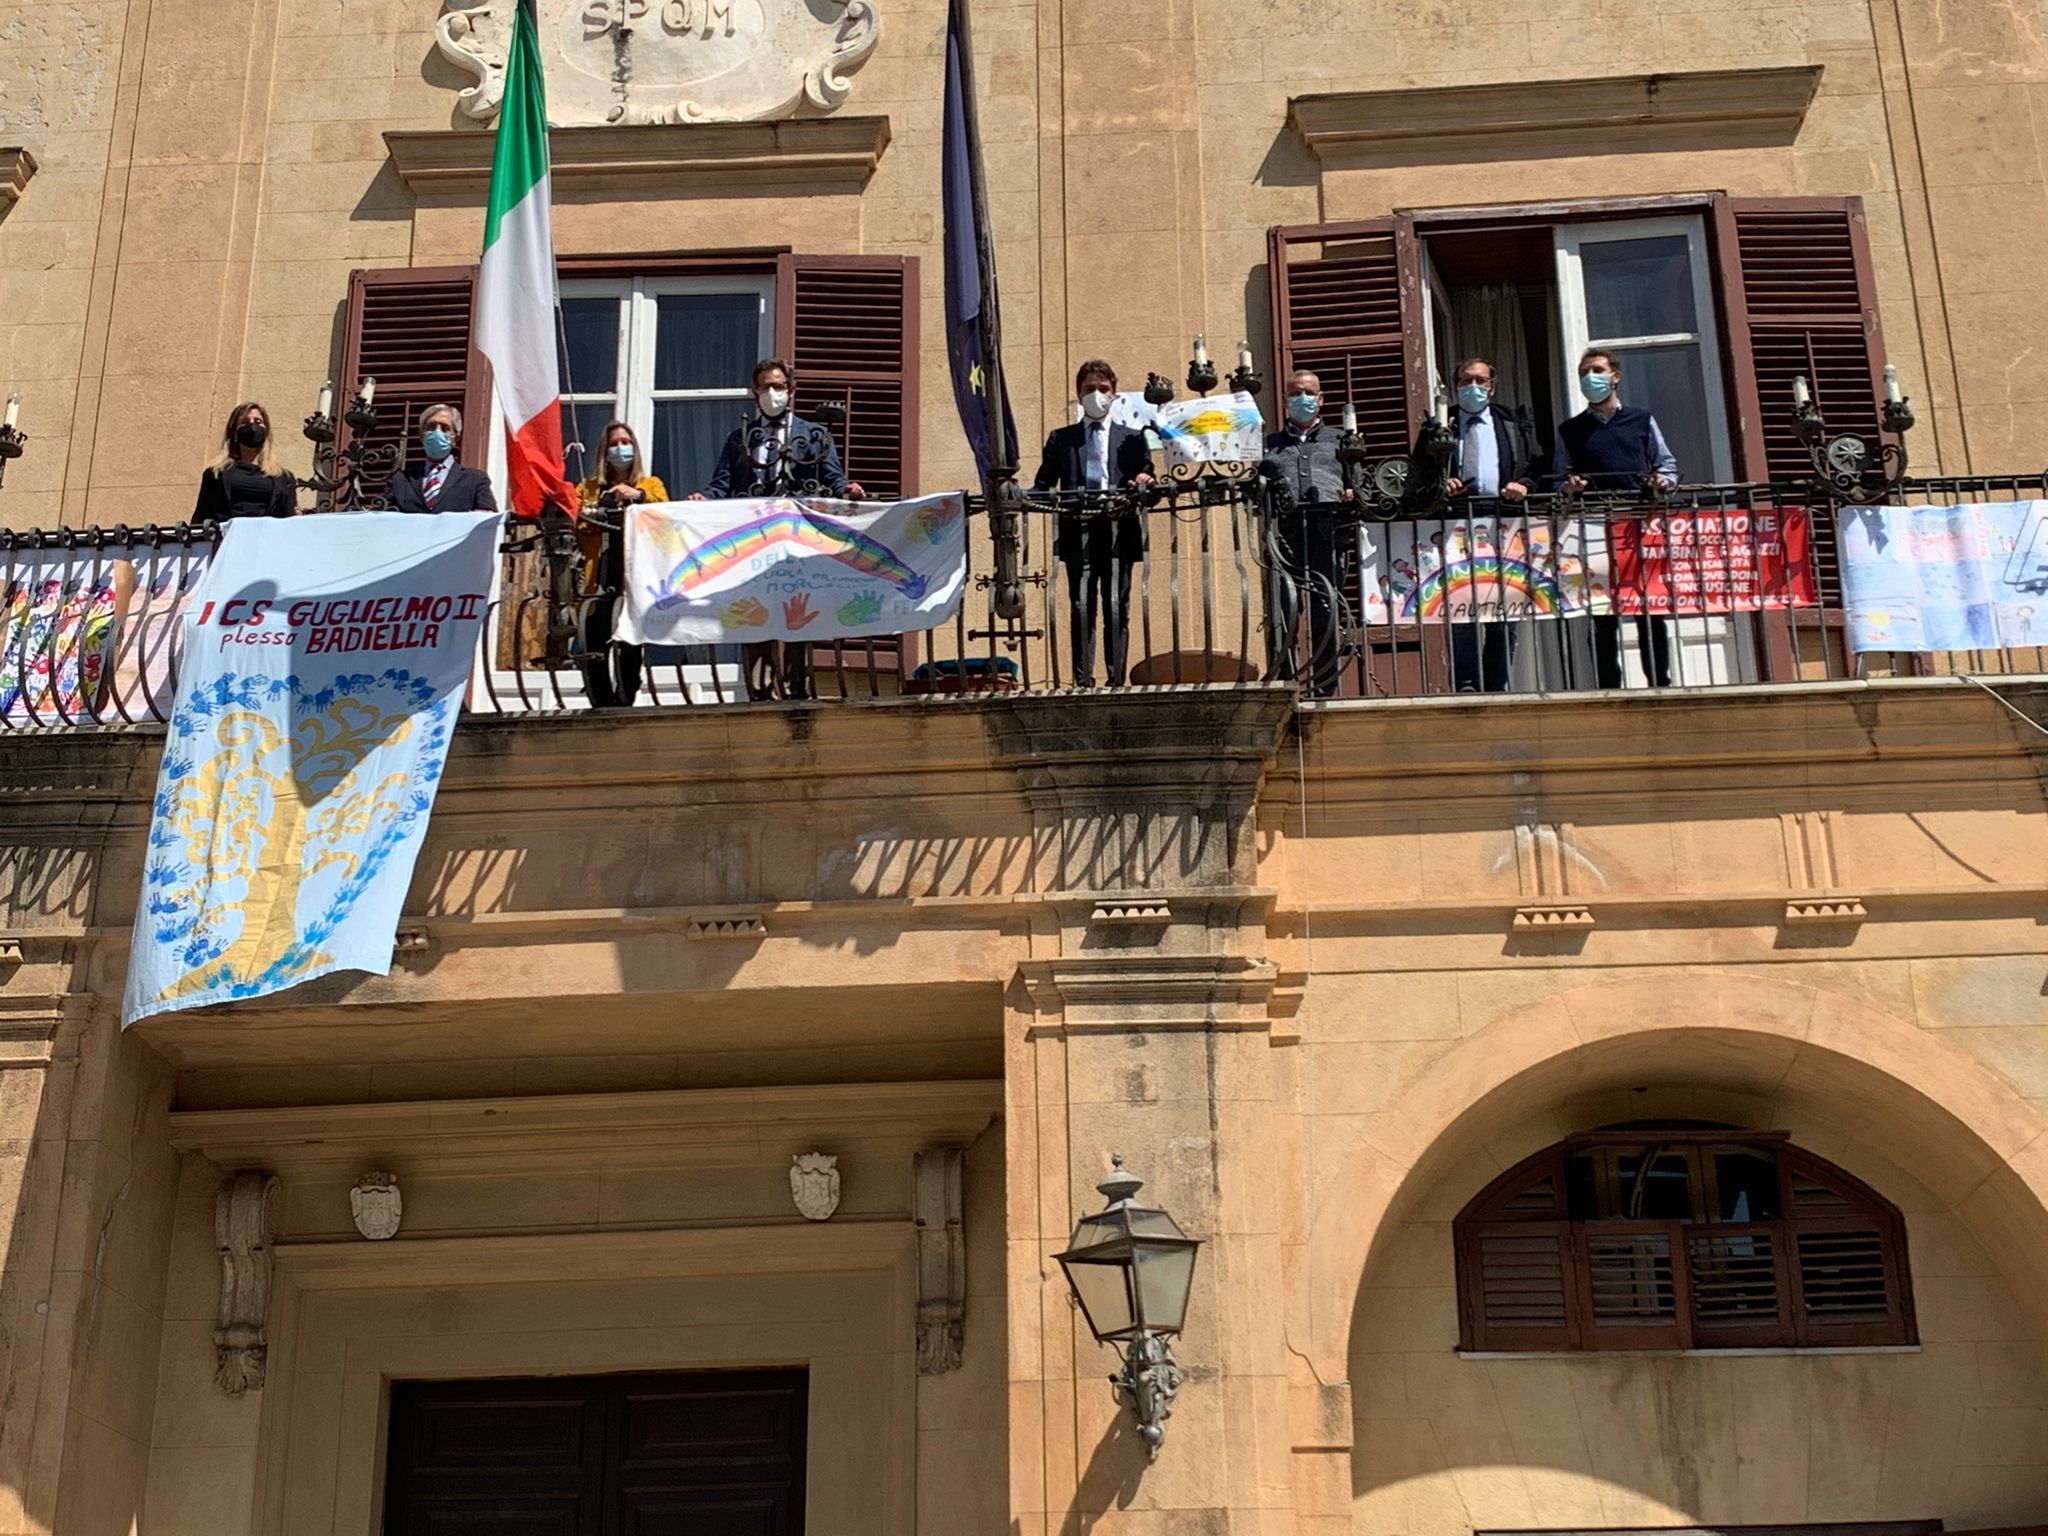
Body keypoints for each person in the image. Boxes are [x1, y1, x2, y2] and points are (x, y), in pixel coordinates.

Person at [690, 359, 864, 701]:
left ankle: (796, 686)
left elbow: (832, 479)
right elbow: (722, 486)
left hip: (797, 540)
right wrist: (703, 498)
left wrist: (848, 489)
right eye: (765, 387)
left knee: (796, 606)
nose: (772, 393)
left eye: (779, 386)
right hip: (752, 540)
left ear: (791, 391)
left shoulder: (814, 435)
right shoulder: (738, 439)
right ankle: (760, 690)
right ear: (755, 393)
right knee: (755, 609)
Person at [1549, 349, 1678, 688]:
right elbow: (1557, 478)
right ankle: (1608, 685)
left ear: (1615, 376)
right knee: (1602, 613)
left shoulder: (1641, 419)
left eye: (1597, 370)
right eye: (1584, 372)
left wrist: (1663, 482)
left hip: (1638, 525)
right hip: (1592, 528)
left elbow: (1666, 464)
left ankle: (1659, 682)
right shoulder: (1570, 430)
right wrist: (1569, 485)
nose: (1590, 377)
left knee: (1648, 609)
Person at [1416, 357, 1538, 693]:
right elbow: (1417, 477)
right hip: (1456, 527)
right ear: (1456, 386)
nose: (1473, 387)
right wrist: (1440, 486)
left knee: (1504, 612)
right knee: (1462, 609)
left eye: (1480, 381)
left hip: (1505, 526)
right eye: (1466, 380)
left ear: (1491, 386)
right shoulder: (1439, 427)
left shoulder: (1511, 423)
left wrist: (1523, 484)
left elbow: (1535, 467)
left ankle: (1496, 683)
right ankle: (1467, 683)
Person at [1031, 359, 1153, 687]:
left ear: (1113, 394)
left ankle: (1115, 679)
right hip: (1078, 530)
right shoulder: (1062, 439)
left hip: (1119, 530)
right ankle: (1083, 680)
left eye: (1103, 389)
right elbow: (1042, 486)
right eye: (1089, 389)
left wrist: (1144, 479)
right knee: (1081, 607)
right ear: (1078, 394)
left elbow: (1148, 484)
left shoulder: (1132, 439)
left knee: (1117, 606)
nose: (1096, 395)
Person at [1258, 369, 1354, 699]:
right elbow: (1256, 490)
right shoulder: (1268, 446)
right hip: (1284, 535)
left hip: (1329, 533)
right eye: (1296, 393)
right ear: (1286, 401)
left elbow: (1360, 485)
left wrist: (1352, 495)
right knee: (1284, 610)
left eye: (1309, 392)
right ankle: (1286, 685)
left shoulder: (1342, 440)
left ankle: (1325, 688)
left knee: (1325, 609)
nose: (1303, 398)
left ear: (1321, 398)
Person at [576, 421, 669, 708]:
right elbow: (578, 521)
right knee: (595, 638)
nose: (620, 448)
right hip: (599, 571)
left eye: (625, 443)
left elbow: (663, 513)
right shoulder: (589, 487)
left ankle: (626, 698)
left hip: (634, 572)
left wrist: (637, 496)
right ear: (604, 451)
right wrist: (599, 508)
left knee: (630, 641)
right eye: (614, 444)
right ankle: (600, 701)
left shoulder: (650, 484)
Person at [383, 404, 498, 515]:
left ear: (456, 438)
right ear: (421, 435)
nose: (437, 432)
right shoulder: (400, 480)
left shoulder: (475, 480)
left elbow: (487, 519)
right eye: (431, 427)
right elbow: (384, 519)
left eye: (445, 428)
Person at [192, 402, 296, 522]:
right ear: (234, 432)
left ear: (266, 431)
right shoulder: (216, 473)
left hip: (266, 538)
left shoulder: (283, 477)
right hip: (227, 537)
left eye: (258, 422)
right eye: (245, 422)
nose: (252, 426)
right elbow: (201, 516)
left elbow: (289, 519)